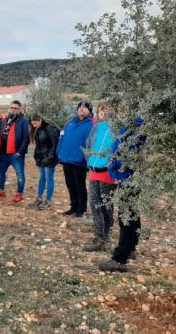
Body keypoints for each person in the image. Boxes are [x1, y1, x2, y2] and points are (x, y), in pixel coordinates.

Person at [99, 116, 146, 272]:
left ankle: (120, 258)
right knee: (132, 213)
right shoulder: (127, 125)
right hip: (125, 176)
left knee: (125, 216)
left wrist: (118, 169)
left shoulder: (137, 127)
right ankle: (131, 247)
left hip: (129, 176)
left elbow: (129, 154)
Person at [83, 104, 116, 251]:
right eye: (101, 110)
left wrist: (112, 166)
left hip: (107, 173)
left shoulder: (117, 129)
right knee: (94, 204)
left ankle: (106, 233)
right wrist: (89, 161)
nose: (103, 113)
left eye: (106, 110)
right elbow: (88, 144)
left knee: (105, 205)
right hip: (93, 171)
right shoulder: (96, 127)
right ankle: (99, 236)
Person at [57, 101, 94, 218]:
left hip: (79, 160)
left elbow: (91, 143)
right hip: (66, 158)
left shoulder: (91, 124)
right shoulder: (70, 123)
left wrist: (87, 158)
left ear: (90, 111)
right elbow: (62, 137)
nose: (81, 109)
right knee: (70, 185)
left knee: (80, 186)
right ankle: (73, 207)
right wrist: (59, 151)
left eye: (84, 107)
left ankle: (81, 210)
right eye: (80, 107)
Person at [0, 100, 30, 202]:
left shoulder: (23, 121)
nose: (13, 110)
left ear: (20, 109)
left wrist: (20, 152)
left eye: (15, 108)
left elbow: (26, 138)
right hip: (4, 153)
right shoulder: (6, 119)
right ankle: (1, 190)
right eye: (11, 108)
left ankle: (19, 193)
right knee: (1, 173)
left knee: (20, 175)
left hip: (16, 154)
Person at [29, 113, 59, 210]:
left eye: (35, 123)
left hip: (49, 158)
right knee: (42, 178)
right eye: (32, 124)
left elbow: (55, 144)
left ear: (40, 120)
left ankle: (48, 200)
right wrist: (36, 155)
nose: (34, 126)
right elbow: (39, 145)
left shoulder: (49, 128)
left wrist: (50, 157)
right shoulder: (38, 129)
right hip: (41, 158)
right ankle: (39, 198)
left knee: (49, 178)